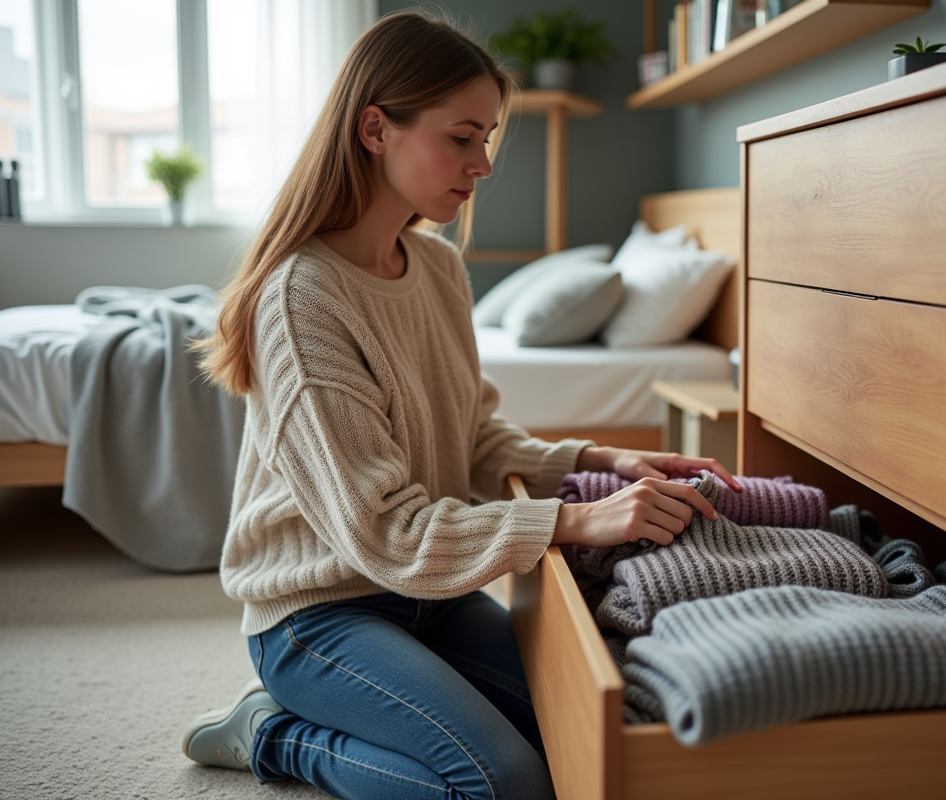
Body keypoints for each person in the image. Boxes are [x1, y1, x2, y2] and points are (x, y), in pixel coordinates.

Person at [181, 11, 739, 800]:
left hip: (425, 589)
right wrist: (574, 520)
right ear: (376, 129)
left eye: (487, 139)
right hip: (316, 615)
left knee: (584, 729)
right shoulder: (300, 300)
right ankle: (274, 734)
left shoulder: (438, 270)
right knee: (505, 783)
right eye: (462, 136)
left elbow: (474, 433)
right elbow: (380, 529)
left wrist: (596, 461)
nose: (481, 164)